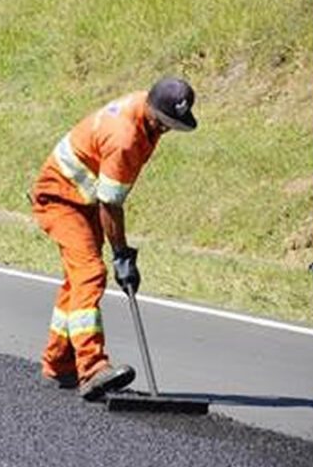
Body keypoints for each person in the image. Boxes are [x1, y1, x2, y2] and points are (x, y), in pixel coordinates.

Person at [30, 76, 197, 401]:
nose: (165, 130)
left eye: (172, 125)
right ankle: (91, 368)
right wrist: (121, 255)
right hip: (60, 198)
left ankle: (58, 362)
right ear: (150, 107)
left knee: (76, 281)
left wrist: (121, 250)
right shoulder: (125, 136)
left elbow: (108, 197)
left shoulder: (145, 114)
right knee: (91, 273)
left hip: (85, 198)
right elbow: (111, 203)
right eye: (162, 122)